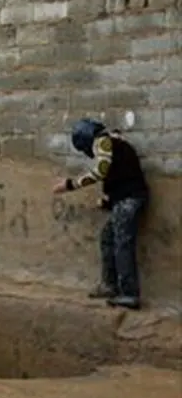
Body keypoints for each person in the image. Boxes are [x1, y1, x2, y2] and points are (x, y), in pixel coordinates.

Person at [53, 119, 150, 310]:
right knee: (108, 238)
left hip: (129, 200)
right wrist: (107, 202)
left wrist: (70, 184)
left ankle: (129, 294)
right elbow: (119, 178)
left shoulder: (105, 143)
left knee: (122, 244)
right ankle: (110, 285)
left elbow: (101, 171)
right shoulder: (116, 146)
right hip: (126, 198)